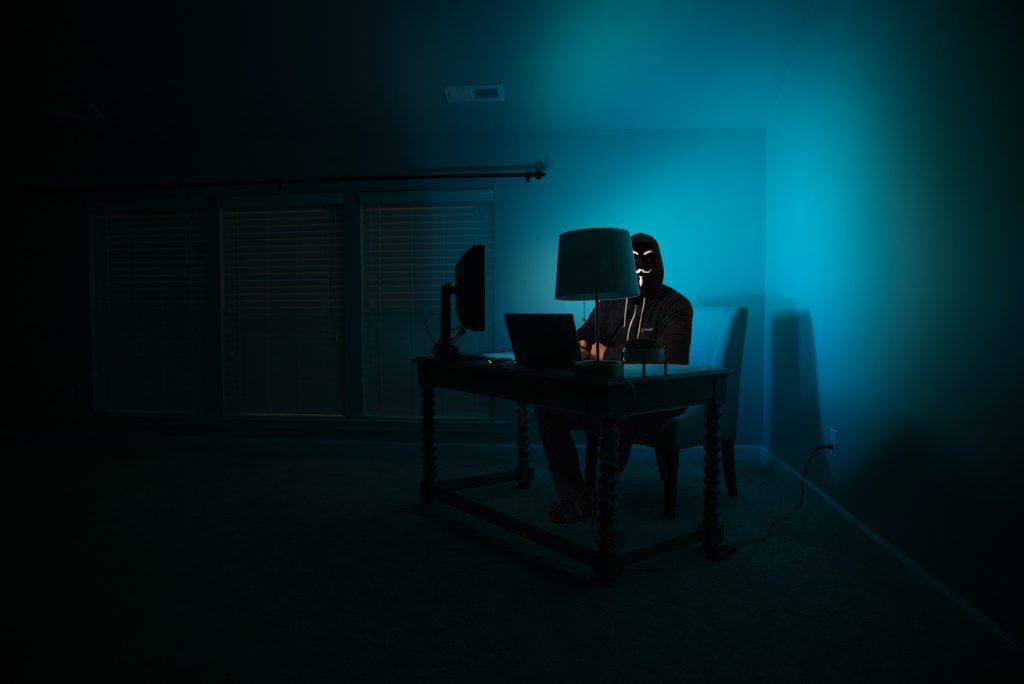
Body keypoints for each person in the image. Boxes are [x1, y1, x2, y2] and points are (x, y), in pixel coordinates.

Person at [536, 232, 693, 524]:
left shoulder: (676, 305)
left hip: (660, 399)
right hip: (613, 394)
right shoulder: (610, 302)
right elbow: (582, 337)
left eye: (649, 261)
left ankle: (589, 498)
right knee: (548, 409)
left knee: (616, 416)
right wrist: (579, 346)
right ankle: (571, 493)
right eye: (634, 262)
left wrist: (607, 352)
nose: (642, 270)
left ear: (659, 263)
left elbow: (670, 357)